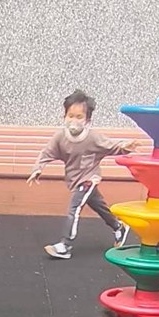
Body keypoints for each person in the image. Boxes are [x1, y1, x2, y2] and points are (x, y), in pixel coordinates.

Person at [27, 89, 140, 260]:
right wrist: (37, 168)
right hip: (74, 180)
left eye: (79, 117)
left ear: (87, 120)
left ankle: (65, 245)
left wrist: (126, 146)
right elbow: (47, 153)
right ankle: (119, 227)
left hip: (88, 180)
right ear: (64, 116)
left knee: (75, 208)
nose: (74, 120)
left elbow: (111, 146)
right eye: (70, 116)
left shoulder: (92, 138)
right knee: (98, 205)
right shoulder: (60, 137)